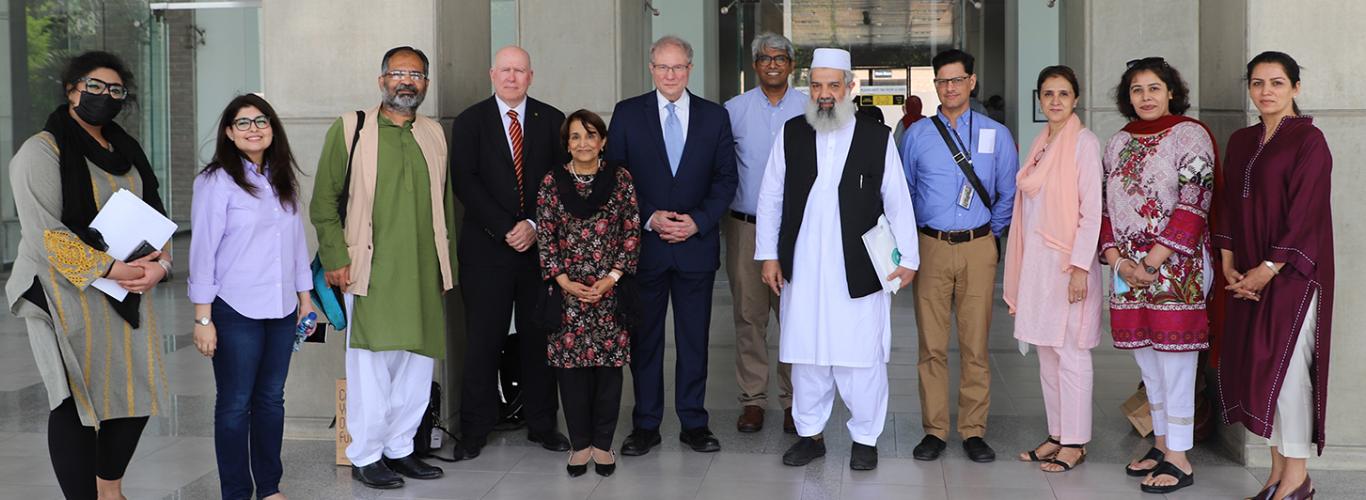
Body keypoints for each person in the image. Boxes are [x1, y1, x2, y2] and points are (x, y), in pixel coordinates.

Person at [5, 50, 170, 500]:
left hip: (124, 288)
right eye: (94, 86)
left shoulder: (126, 149)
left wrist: (161, 265)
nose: (104, 96)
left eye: (115, 90)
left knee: (135, 396)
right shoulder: (41, 151)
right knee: (75, 400)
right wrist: (108, 268)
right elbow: (46, 233)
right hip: (58, 289)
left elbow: (155, 217)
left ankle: (108, 489)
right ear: (71, 89)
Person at [756, 48, 919, 472]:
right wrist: (769, 255)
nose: (824, 94)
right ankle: (810, 435)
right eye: (816, 86)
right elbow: (771, 196)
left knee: (859, 357)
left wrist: (909, 258)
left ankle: (865, 438)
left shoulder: (875, 137)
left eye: (833, 85)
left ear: (850, 87)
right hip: (804, 266)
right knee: (808, 355)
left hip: (860, 266)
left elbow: (898, 202)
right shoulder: (792, 133)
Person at [310, 46, 454, 490]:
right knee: (370, 366)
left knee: (416, 363)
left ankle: (401, 447)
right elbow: (323, 202)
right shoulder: (351, 128)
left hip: (422, 268)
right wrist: (335, 256)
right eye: (397, 73)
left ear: (426, 84)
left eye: (415, 74)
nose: (406, 81)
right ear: (381, 80)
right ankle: (367, 454)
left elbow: (445, 207)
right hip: (368, 267)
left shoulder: (433, 134)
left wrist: (446, 267)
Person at [605, 35, 738, 456]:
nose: (670, 75)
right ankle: (645, 424)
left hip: (694, 247)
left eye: (677, 67)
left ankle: (694, 422)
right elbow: (615, 177)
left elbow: (726, 179)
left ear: (689, 69)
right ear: (651, 68)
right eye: (662, 67)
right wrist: (649, 215)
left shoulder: (714, 117)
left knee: (694, 340)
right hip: (645, 247)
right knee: (644, 340)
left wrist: (697, 222)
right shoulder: (628, 114)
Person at [1216, 51, 1333, 500]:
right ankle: (1276, 475)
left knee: (1288, 375)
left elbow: (1305, 213)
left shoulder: (1309, 140)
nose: (1266, 91)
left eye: (1277, 83)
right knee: (1263, 373)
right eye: (1258, 83)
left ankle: (1298, 478)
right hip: (1245, 274)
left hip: (1293, 274)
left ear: (1296, 88)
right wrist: (1228, 260)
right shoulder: (1243, 140)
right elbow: (1227, 203)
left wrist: (1269, 268)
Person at [188, 94, 314, 500]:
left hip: (281, 307)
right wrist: (203, 319)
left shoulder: (281, 178)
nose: (254, 128)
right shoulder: (214, 182)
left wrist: (305, 300)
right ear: (228, 132)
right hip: (234, 307)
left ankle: (269, 488)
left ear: (272, 128)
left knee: (271, 400)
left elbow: (296, 244)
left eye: (261, 120)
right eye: (243, 122)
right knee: (234, 403)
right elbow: (202, 252)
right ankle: (237, 493)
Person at [1099, 57, 1216, 494]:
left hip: (1176, 268)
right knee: (1147, 361)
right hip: (1127, 270)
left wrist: (1152, 261)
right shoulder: (1118, 142)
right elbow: (1105, 208)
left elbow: (1194, 204)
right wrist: (1117, 259)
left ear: (1171, 91)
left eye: (1153, 88)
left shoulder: (1190, 135)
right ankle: (1163, 443)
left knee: (1176, 362)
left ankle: (1180, 458)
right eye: (1136, 89)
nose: (1145, 97)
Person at [450, 45, 571, 460]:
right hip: (486, 251)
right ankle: (475, 429)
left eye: (520, 71)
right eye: (505, 70)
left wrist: (534, 225)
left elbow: (560, 182)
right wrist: (506, 228)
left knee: (540, 340)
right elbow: (465, 182)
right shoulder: (470, 122)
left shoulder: (552, 120)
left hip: (539, 252)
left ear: (531, 76)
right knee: (484, 340)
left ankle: (542, 424)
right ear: (492, 74)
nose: (512, 77)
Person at [901, 48, 1018, 463]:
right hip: (930, 247)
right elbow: (905, 194)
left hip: (977, 247)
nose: (949, 88)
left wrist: (990, 236)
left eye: (957, 80)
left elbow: (1008, 193)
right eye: (942, 81)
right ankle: (934, 429)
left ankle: (973, 430)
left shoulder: (995, 134)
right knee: (931, 345)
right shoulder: (916, 135)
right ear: (935, 86)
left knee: (975, 344)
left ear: (971, 82)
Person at [1002, 66, 1102, 473]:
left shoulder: (1084, 143)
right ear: (1039, 100)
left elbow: (1091, 211)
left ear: (1075, 98)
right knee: (1047, 353)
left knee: (1072, 353)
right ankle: (1057, 434)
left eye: (1063, 93)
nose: (1055, 101)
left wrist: (1080, 267)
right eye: (1048, 94)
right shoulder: (1041, 143)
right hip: (1039, 264)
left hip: (1068, 263)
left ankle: (1076, 442)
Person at [535, 109, 641, 478]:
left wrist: (611, 277)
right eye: (576, 137)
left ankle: (603, 443)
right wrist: (562, 280)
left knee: (608, 374)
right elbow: (545, 234)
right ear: (567, 143)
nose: (583, 143)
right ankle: (580, 445)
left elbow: (631, 231)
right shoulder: (552, 181)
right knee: (572, 373)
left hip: (609, 293)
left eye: (591, 135)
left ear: (603, 141)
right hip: (567, 294)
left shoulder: (620, 179)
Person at [722, 32, 805, 435]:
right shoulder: (733, 111)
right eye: (764, 57)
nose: (772, 63)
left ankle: (794, 400)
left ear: (792, 64)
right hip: (746, 229)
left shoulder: (812, 108)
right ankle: (753, 400)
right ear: (754, 65)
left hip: (799, 233)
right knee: (748, 317)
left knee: (794, 316)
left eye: (780, 57)